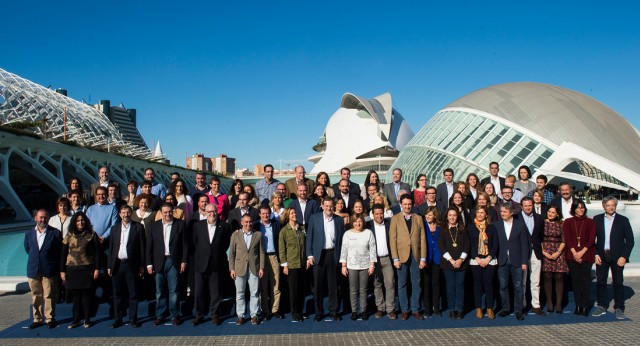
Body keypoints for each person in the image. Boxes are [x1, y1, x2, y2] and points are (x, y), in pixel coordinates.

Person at [592, 196, 635, 319]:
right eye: (608, 205)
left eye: (613, 205)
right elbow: (591, 240)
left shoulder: (623, 220)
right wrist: (595, 254)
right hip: (601, 255)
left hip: (617, 256)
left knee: (618, 282)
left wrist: (624, 256)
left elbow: (630, 241)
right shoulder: (597, 219)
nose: (611, 207)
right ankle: (602, 306)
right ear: (604, 206)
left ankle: (619, 307)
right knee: (601, 282)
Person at [146, 203, 188, 326]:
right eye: (165, 212)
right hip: (158, 261)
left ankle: (174, 315)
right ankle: (160, 314)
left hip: (174, 261)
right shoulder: (154, 226)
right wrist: (149, 263)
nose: (168, 214)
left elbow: (185, 245)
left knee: (174, 290)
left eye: (170, 212)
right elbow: (149, 246)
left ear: (173, 211)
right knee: (160, 290)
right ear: (161, 212)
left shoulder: (180, 224)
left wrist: (184, 261)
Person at [306, 197, 346, 321]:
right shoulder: (314, 218)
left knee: (333, 285)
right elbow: (309, 238)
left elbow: (341, 241)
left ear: (334, 206)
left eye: (331, 206)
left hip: (333, 254)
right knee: (318, 285)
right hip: (319, 255)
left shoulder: (339, 220)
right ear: (322, 206)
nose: (329, 208)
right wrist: (310, 255)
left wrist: (342, 258)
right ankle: (319, 311)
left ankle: (334, 311)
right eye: (326, 206)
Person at [191, 205, 231, 326]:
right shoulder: (198, 226)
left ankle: (215, 315)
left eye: (214, 211)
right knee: (199, 291)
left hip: (216, 263)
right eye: (209, 211)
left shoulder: (224, 226)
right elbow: (194, 243)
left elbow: (226, 243)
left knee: (216, 291)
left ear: (217, 212)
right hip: (200, 263)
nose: (211, 214)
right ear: (205, 212)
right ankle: (199, 315)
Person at [390, 194, 427, 320]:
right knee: (402, 284)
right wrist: (395, 258)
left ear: (412, 204)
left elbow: (422, 238)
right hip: (401, 256)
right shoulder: (395, 218)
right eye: (405, 204)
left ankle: (415, 309)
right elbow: (392, 239)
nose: (407, 206)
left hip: (415, 255)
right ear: (401, 204)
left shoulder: (418, 218)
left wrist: (423, 258)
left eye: (409, 204)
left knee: (416, 283)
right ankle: (405, 310)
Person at [108, 205, 145, 328]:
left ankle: (133, 319)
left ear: (131, 213)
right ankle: (118, 318)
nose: (126, 215)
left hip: (131, 265)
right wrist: (109, 266)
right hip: (117, 264)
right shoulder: (114, 229)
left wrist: (141, 266)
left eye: (128, 212)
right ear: (119, 214)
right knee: (117, 293)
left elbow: (142, 248)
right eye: (123, 212)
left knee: (133, 293)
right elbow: (111, 249)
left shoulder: (138, 227)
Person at [61, 212, 100, 329]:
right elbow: (63, 254)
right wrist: (62, 271)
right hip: (72, 269)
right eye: (78, 221)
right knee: (76, 297)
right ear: (74, 222)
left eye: (82, 220)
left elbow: (97, 253)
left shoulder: (92, 235)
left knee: (86, 296)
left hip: (87, 268)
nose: (80, 223)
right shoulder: (68, 236)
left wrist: (97, 268)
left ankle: (87, 319)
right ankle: (76, 320)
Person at [25, 209, 62, 329]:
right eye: (41, 217)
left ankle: (50, 319)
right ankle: (37, 319)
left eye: (45, 217)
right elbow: (28, 249)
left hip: (49, 269)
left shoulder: (55, 233)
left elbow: (59, 251)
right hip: (33, 269)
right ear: (35, 218)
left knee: (49, 295)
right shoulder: (29, 234)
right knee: (36, 296)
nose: (43, 220)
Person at [494, 203, 529, 320]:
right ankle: (505, 308)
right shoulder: (496, 225)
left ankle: (518, 310)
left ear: (511, 213)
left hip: (517, 260)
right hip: (502, 260)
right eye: (501, 211)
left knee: (518, 286)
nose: (502, 214)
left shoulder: (520, 225)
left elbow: (525, 245)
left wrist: (524, 261)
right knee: (503, 286)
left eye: (504, 212)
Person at [229, 214, 264, 325]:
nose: (248, 224)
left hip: (254, 268)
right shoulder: (235, 235)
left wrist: (261, 267)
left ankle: (254, 315)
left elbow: (261, 253)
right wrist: (232, 269)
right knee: (240, 293)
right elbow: (231, 254)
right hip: (239, 268)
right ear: (242, 222)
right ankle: (241, 315)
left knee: (254, 293)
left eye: (250, 222)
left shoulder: (258, 235)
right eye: (246, 222)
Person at [339, 214, 376, 321]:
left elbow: (372, 249)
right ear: (352, 222)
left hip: (365, 266)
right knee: (353, 290)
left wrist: (372, 265)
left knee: (363, 290)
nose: (357, 223)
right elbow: (344, 250)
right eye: (355, 221)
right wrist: (343, 265)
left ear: (363, 222)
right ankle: (354, 311)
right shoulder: (347, 234)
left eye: (359, 221)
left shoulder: (368, 233)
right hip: (351, 266)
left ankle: (363, 311)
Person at [563, 200, 595, 317]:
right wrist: (574, 253)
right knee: (576, 281)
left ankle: (585, 306)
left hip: (587, 254)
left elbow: (591, 239)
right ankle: (578, 305)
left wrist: (581, 253)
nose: (581, 209)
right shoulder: (567, 222)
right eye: (578, 207)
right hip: (572, 255)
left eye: (582, 207)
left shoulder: (591, 222)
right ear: (574, 209)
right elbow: (567, 238)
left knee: (586, 281)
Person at [517, 197, 546, 316]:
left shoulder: (539, 218)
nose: (528, 207)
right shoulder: (516, 218)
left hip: (536, 252)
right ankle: (522, 305)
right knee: (522, 281)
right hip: (522, 252)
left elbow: (542, 236)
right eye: (526, 205)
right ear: (521, 206)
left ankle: (536, 305)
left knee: (535, 281)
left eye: (530, 205)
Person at [439, 208, 469, 320]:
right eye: (450, 215)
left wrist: (461, 259)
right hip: (448, 263)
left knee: (460, 286)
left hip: (462, 263)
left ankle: (460, 309)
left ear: (458, 216)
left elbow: (467, 246)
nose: (452, 217)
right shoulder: (442, 229)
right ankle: (452, 309)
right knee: (450, 286)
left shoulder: (463, 229)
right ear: (447, 216)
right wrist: (451, 260)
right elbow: (441, 246)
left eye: (454, 215)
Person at [468, 207, 498, 319]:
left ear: (486, 215)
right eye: (478, 212)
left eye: (482, 212)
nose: (480, 214)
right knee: (477, 284)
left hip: (489, 260)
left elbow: (495, 244)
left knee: (488, 283)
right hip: (476, 260)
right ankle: (479, 308)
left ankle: (490, 308)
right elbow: (470, 243)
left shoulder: (491, 227)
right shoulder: (471, 227)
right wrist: (477, 258)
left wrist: (488, 258)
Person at [367, 204, 396, 319]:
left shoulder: (389, 223)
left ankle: (390, 309)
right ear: (372, 215)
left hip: (387, 258)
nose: (379, 216)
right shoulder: (368, 225)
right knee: (377, 284)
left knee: (390, 283)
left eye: (381, 213)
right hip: (374, 260)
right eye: (377, 214)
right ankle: (380, 308)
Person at [254, 204, 283, 320]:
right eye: (263, 213)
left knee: (276, 285)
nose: (265, 215)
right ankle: (265, 310)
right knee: (263, 286)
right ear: (260, 214)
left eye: (267, 213)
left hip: (274, 257)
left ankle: (275, 309)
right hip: (261, 258)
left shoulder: (276, 225)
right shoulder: (256, 226)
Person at [278, 208, 306, 322]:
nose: (294, 214)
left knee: (301, 289)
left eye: (295, 212)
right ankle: (294, 312)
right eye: (292, 213)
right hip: (292, 264)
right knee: (293, 290)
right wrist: (285, 265)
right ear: (288, 216)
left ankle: (300, 310)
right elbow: (282, 249)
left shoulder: (302, 229)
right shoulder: (284, 231)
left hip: (302, 264)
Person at [541, 205, 567, 314]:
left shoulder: (561, 224)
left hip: (558, 251)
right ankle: (550, 303)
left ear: (557, 214)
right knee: (547, 276)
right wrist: (544, 252)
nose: (550, 214)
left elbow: (564, 240)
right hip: (545, 250)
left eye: (553, 212)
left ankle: (559, 303)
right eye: (549, 211)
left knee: (559, 276)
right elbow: (539, 238)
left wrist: (558, 252)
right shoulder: (542, 223)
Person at [422, 207, 441, 317]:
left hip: (437, 259)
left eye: (430, 215)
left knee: (436, 284)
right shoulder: (423, 226)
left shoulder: (440, 227)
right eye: (426, 215)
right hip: (426, 259)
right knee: (426, 284)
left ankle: (437, 307)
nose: (427, 217)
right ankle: (427, 309)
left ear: (435, 215)